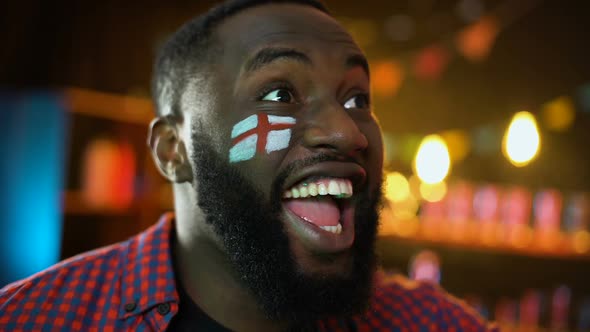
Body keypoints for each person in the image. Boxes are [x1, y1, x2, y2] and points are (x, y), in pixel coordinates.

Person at [0, 0, 498, 330]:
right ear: (174, 150)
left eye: (356, 100)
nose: (347, 133)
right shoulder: (35, 319)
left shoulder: (434, 323)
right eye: (280, 93)